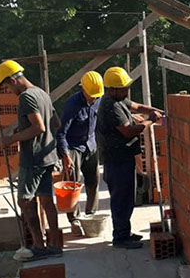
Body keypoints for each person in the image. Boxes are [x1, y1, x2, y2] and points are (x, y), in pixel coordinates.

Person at [0, 59, 63, 259]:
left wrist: (11, 139)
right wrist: (22, 128)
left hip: (33, 159)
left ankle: (39, 247)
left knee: (25, 201)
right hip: (48, 157)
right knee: (47, 201)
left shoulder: (26, 97)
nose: (9, 91)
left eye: (7, 87)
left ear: (12, 80)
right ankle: (55, 246)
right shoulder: (42, 93)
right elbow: (55, 123)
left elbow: (39, 127)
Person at [96, 66, 164, 249]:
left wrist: (156, 110)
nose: (127, 91)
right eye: (123, 89)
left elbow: (137, 106)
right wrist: (151, 120)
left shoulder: (119, 100)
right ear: (112, 89)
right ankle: (120, 237)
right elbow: (128, 131)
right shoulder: (110, 106)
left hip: (123, 158)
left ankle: (124, 232)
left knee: (127, 198)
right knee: (121, 199)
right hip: (116, 160)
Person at [56, 71, 103, 233]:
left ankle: (91, 215)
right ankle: (74, 219)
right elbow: (61, 133)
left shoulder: (99, 99)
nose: (94, 98)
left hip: (90, 145)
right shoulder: (72, 105)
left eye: (97, 95)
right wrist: (65, 155)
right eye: (92, 95)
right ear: (83, 89)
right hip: (73, 146)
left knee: (93, 181)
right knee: (73, 184)